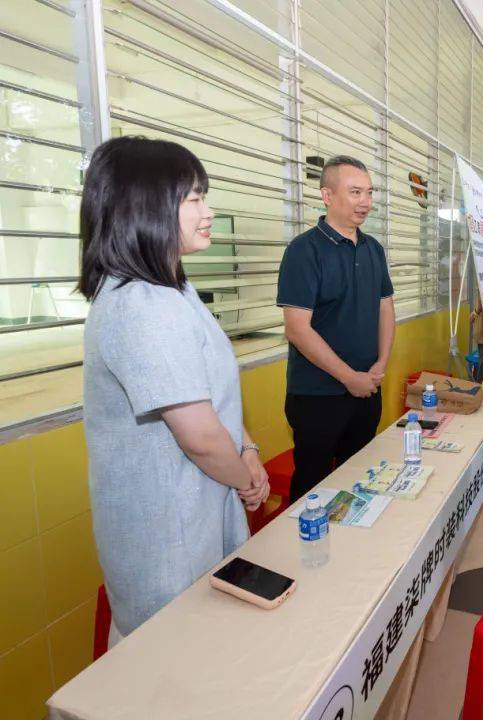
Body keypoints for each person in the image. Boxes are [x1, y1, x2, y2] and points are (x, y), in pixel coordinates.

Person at [79, 136, 268, 642]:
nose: (208, 211)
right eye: (193, 199)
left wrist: (247, 448)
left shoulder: (172, 289)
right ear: (146, 207)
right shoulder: (140, 305)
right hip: (168, 537)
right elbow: (201, 437)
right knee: (170, 668)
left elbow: (207, 393)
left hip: (201, 507)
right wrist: (247, 478)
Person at [278, 156, 395, 503]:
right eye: (356, 192)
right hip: (317, 397)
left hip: (367, 390)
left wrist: (380, 365)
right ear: (327, 195)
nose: (366, 202)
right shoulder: (304, 251)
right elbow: (297, 329)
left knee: (360, 483)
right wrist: (349, 377)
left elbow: (385, 308)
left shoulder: (373, 248)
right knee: (313, 491)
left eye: (369, 193)